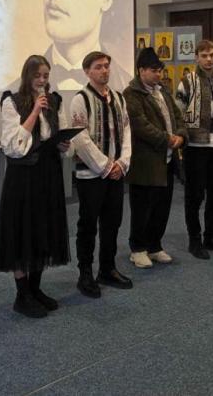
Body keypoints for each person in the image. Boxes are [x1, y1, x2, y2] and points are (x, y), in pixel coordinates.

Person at [0, 55, 71, 319]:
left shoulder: (55, 101)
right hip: (23, 177)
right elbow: (13, 146)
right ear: (27, 76)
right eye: (37, 76)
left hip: (48, 174)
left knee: (43, 231)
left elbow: (55, 135)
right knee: (21, 232)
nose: (42, 81)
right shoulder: (12, 102)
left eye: (46, 76)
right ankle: (22, 294)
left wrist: (63, 144)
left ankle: (36, 288)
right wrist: (35, 111)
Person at [69, 51, 133, 297]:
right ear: (87, 71)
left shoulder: (118, 97)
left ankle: (107, 268)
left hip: (116, 173)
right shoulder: (80, 99)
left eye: (106, 66)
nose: (104, 70)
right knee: (88, 225)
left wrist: (122, 163)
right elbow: (80, 139)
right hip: (91, 175)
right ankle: (85, 273)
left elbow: (126, 132)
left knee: (112, 223)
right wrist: (105, 166)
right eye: (98, 67)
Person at [123, 47, 187, 269]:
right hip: (145, 161)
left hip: (166, 159)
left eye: (160, 70)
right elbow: (140, 125)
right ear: (141, 70)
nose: (158, 74)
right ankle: (137, 249)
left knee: (162, 206)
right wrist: (167, 139)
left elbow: (178, 116)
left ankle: (154, 245)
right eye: (153, 70)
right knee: (142, 207)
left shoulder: (164, 91)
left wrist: (181, 135)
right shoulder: (131, 94)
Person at [175, 39, 213, 259]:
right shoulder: (187, 82)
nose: (209, 59)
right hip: (195, 146)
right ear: (197, 58)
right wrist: (181, 137)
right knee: (194, 195)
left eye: (212, 55)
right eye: (204, 56)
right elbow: (178, 113)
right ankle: (195, 239)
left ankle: (212, 236)